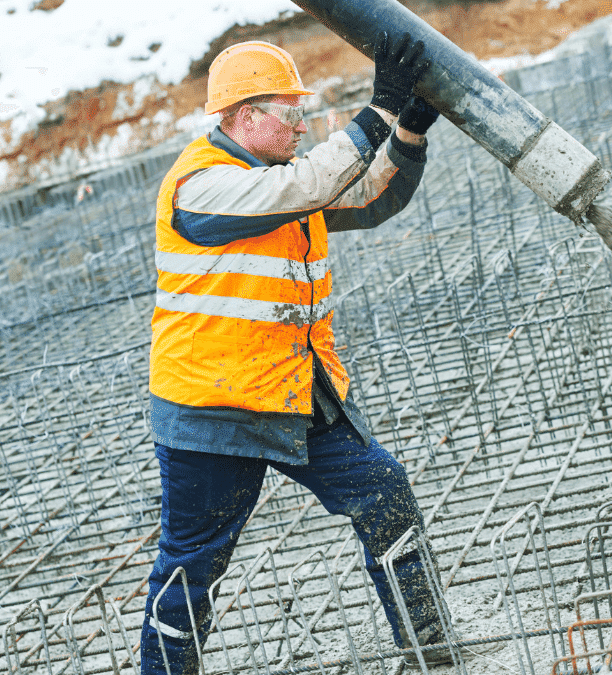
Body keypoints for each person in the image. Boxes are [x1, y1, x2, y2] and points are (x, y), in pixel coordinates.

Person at [142, 33, 450, 675]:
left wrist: (409, 133)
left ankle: (433, 653)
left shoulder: (282, 182)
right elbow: (308, 184)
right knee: (191, 568)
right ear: (242, 116)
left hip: (294, 389)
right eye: (290, 113)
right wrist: (378, 109)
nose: (301, 123)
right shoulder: (201, 186)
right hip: (213, 409)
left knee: (385, 494)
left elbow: (368, 197)